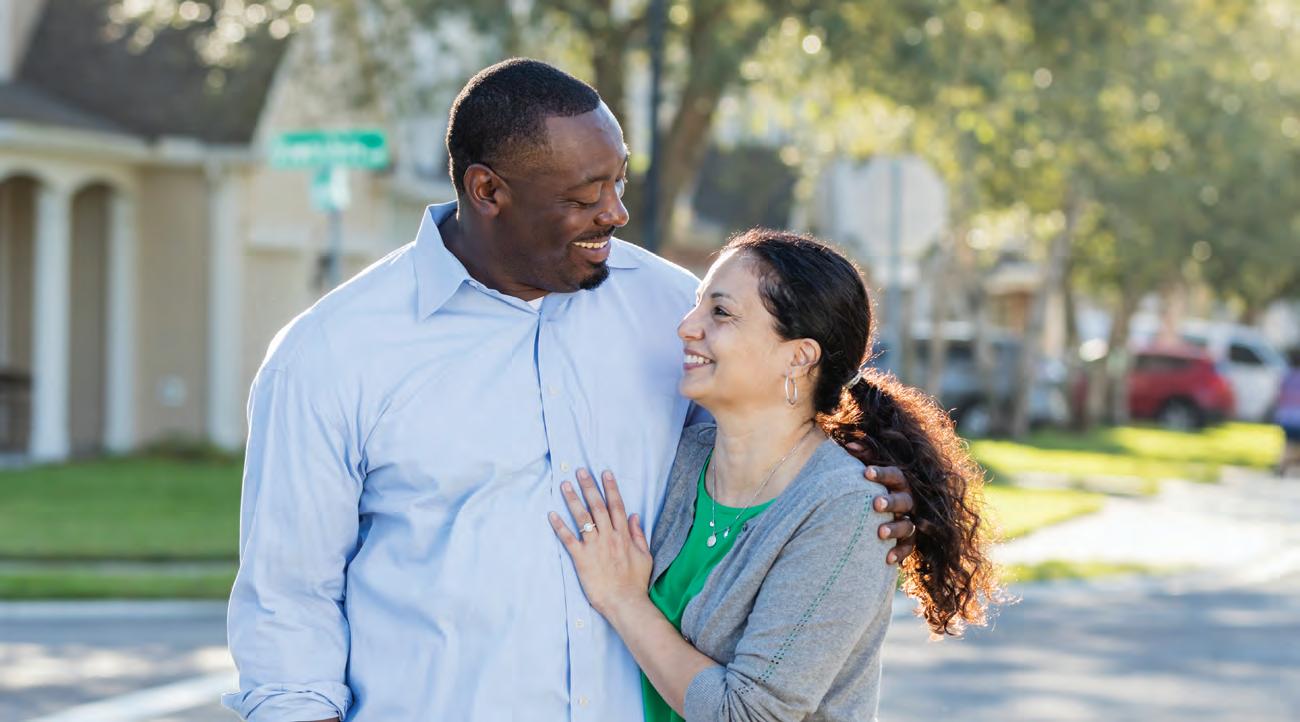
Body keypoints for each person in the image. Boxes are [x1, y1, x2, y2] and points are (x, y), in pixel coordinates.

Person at [221, 59, 917, 722]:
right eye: (584, 197)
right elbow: (288, 604)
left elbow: (775, 426)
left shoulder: (667, 308)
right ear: (488, 192)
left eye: (619, 183)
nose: (615, 213)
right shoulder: (332, 354)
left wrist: (871, 487)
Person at [552, 229, 1002, 721]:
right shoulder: (682, 456)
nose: (686, 326)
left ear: (798, 356)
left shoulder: (847, 508)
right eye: (697, 304)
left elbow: (750, 714)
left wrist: (625, 602)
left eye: (720, 312)